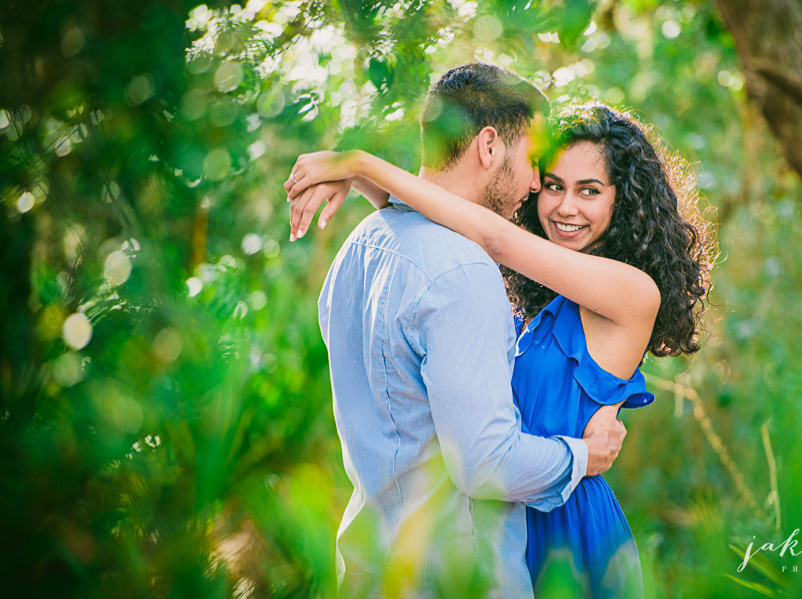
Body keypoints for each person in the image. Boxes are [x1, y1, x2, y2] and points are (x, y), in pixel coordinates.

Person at [286, 100, 712, 598]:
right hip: (504, 519)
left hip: (565, 527)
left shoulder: (633, 291)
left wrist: (358, 162)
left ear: (626, 202)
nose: (564, 207)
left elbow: (492, 236)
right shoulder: (538, 288)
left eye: (588, 191)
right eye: (553, 185)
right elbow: (433, 230)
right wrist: (368, 187)